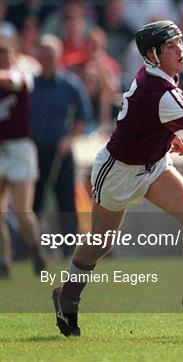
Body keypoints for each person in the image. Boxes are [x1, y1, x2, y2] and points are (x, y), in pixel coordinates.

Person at [51, 20, 183, 337]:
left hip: (153, 164)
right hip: (119, 173)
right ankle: (66, 295)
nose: (180, 49)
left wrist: (166, 137)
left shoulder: (160, 77)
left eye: (180, 42)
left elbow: (148, 118)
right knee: (101, 242)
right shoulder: (161, 89)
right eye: (170, 46)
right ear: (152, 55)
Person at [31, 34, 92, 258]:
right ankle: (33, 250)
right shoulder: (31, 85)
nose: (47, 59)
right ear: (38, 58)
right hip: (35, 153)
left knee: (66, 204)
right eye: (44, 56)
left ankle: (70, 252)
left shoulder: (70, 85)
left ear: (58, 57)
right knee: (35, 203)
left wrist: (68, 139)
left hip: (62, 152)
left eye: (51, 55)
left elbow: (82, 119)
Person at [0, 37, 45, 278]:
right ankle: (4, 259)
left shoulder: (22, 74)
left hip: (20, 148)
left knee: (20, 210)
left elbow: (13, 81)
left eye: (7, 56)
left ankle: (35, 249)